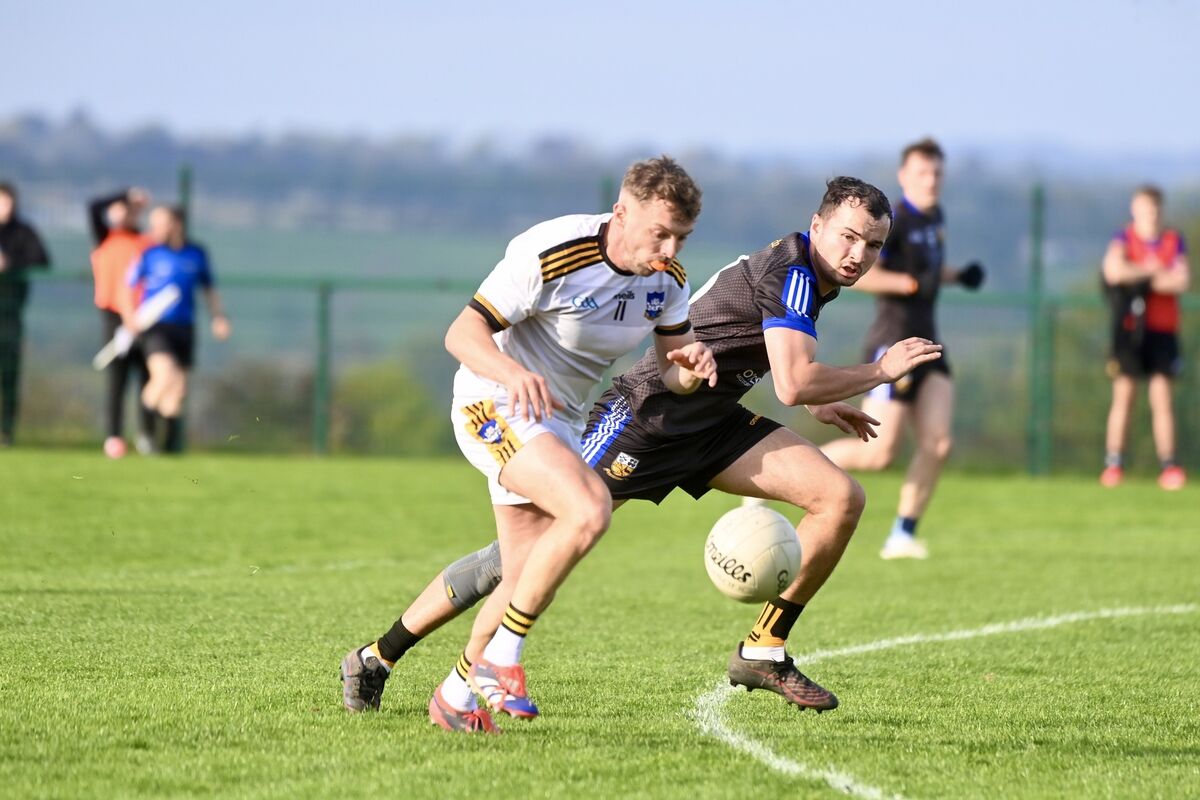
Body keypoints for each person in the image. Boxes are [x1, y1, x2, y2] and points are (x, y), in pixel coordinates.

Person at [341, 177, 942, 731]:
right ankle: (394, 659)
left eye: (873, 244)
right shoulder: (795, 273)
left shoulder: (810, 276)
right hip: (646, 422)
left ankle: (763, 648)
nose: (859, 253)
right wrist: (876, 371)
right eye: (849, 236)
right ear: (817, 225)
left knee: (840, 497)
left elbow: (772, 361)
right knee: (518, 561)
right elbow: (792, 381)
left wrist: (817, 401)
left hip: (712, 424)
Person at [341, 155, 715, 733]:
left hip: (556, 420)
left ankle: (444, 693)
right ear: (621, 213)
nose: (670, 248)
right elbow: (461, 333)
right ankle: (501, 662)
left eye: (681, 237)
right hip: (492, 402)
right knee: (589, 507)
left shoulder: (668, 282)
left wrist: (691, 368)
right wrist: (512, 374)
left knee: (515, 574)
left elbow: (672, 371)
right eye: (658, 233)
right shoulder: (554, 251)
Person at [819, 139, 983, 561]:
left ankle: (902, 534)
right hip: (893, 343)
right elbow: (866, 276)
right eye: (922, 173)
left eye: (937, 173)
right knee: (879, 452)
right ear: (904, 176)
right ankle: (796, 468)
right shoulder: (894, 221)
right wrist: (912, 285)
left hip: (930, 342)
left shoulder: (935, 217)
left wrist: (957, 276)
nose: (931, 180)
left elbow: (925, 275)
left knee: (939, 442)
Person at [1099, 185, 1190, 490]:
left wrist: (1140, 275)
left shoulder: (1173, 241)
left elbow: (1181, 281)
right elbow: (1113, 272)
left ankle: (1169, 466)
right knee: (1124, 396)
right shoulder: (1124, 238)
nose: (1150, 214)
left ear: (1161, 211)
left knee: (1162, 398)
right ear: (1134, 210)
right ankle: (1114, 464)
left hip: (1163, 330)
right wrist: (1152, 272)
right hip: (1130, 331)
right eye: (1145, 208)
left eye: (1155, 209)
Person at [125, 205, 231, 453]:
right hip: (156, 327)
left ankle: (169, 447)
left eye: (159, 223)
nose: (153, 229)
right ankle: (146, 434)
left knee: (178, 389)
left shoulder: (197, 253)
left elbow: (209, 289)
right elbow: (129, 286)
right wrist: (130, 317)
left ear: (176, 224)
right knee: (164, 377)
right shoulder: (148, 253)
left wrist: (219, 317)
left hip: (185, 326)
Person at [89, 187, 155, 457]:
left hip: (143, 316)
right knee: (117, 379)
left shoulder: (146, 241)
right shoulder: (106, 236)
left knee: (147, 377)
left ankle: (147, 435)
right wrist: (126, 194)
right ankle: (114, 437)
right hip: (114, 314)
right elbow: (94, 205)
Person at [0, 181, 51, 447]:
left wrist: (10, 264)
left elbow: (42, 259)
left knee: (8, 375)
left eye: (7, 201)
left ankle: (6, 432)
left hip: (9, 315)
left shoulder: (23, 232)